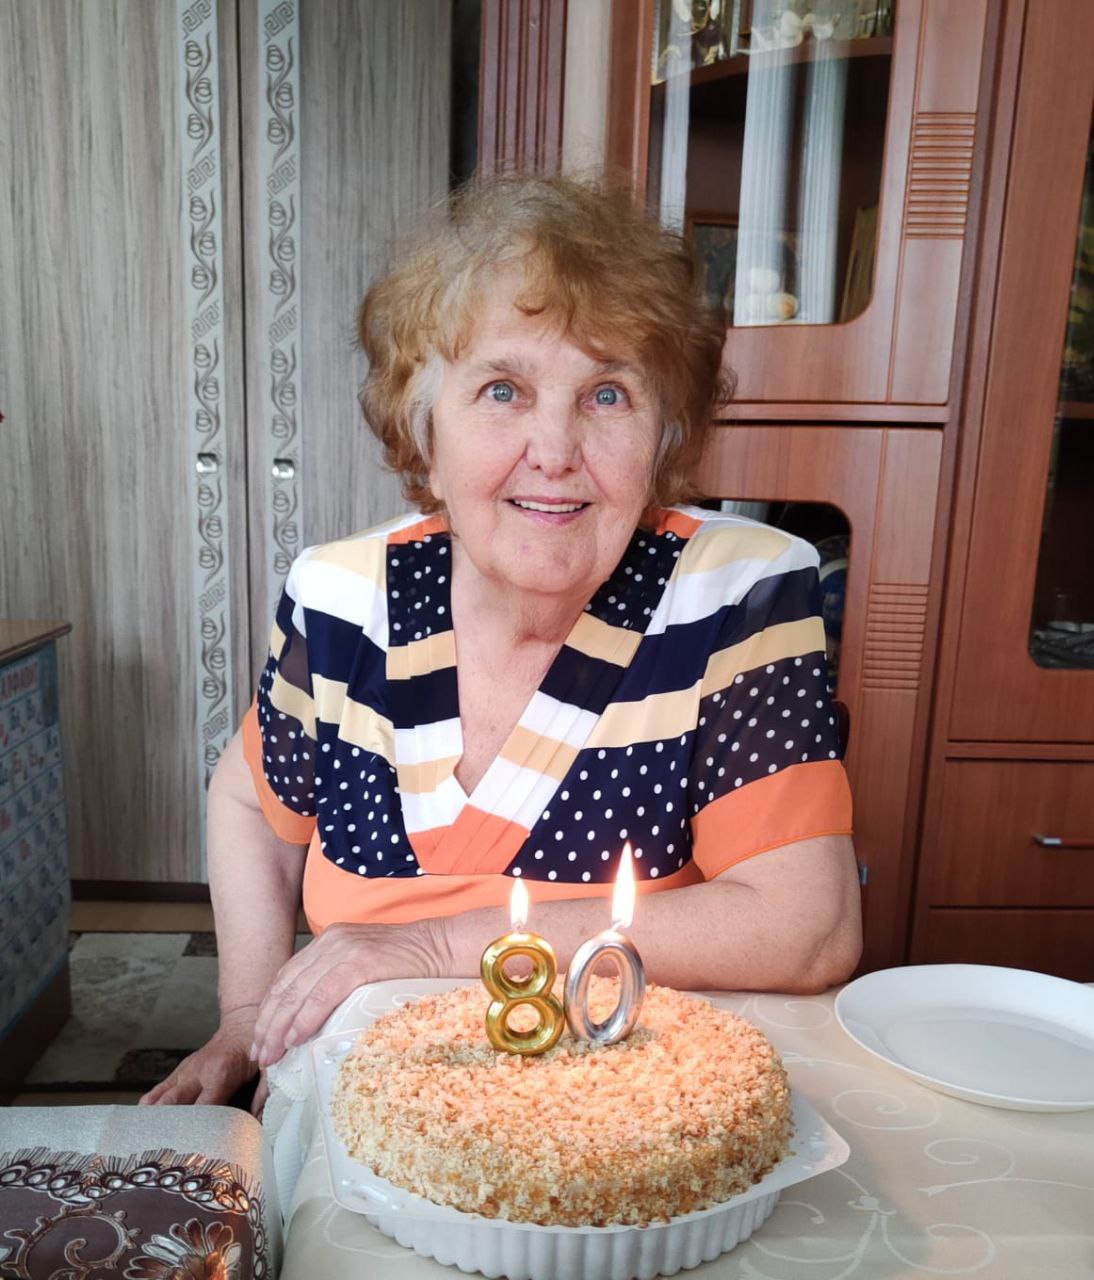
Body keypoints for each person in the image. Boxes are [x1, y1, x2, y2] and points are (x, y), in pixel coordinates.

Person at [142, 173, 861, 1110]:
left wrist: (430, 946)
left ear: (663, 439)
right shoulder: (341, 599)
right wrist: (245, 1017)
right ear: (425, 436)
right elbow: (249, 801)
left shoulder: (735, 593)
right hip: (366, 1104)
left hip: (629, 1105)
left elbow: (809, 927)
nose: (555, 450)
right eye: (502, 390)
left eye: (608, 394)